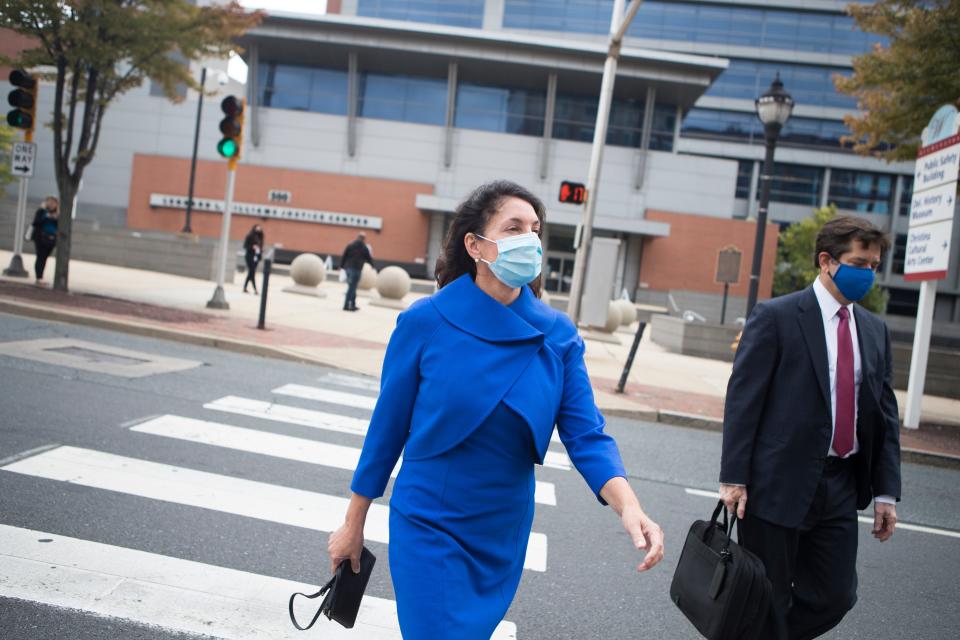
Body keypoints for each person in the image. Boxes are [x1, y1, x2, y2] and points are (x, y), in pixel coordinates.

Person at [328, 180, 664, 639]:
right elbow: (385, 433)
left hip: (501, 529)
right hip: (430, 519)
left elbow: (587, 435)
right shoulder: (425, 322)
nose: (529, 239)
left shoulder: (558, 335)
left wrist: (629, 506)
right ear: (475, 244)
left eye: (535, 229)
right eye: (513, 228)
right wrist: (353, 524)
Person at [720, 215, 901, 640]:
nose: (867, 273)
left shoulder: (874, 331)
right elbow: (744, 401)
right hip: (775, 481)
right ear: (826, 261)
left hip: (840, 483)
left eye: (874, 265)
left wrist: (886, 492)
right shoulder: (777, 316)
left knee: (836, 595)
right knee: (767, 593)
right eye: (859, 262)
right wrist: (734, 477)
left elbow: (884, 415)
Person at [339, 231, 374, 311]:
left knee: (352, 287)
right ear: (364, 239)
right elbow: (368, 258)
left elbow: (344, 255)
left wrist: (341, 266)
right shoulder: (364, 247)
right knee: (352, 288)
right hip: (356, 269)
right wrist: (372, 266)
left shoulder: (350, 244)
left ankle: (353, 304)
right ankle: (347, 305)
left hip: (348, 268)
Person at [31, 196, 59, 284]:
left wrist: (55, 218)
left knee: (45, 258)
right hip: (40, 238)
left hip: (52, 239)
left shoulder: (58, 214)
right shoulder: (41, 212)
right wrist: (46, 216)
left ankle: (40, 276)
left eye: (53, 202)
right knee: (40, 256)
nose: (51, 204)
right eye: (49, 202)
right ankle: (39, 277)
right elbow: (36, 223)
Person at [242, 224, 264, 294]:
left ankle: (245, 288)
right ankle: (255, 289)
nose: (258, 229)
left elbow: (260, 247)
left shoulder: (260, 238)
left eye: (259, 228)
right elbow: (245, 246)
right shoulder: (250, 236)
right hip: (250, 256)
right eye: (257, 228)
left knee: (251, 273)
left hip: (256, 257)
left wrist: (260, 250)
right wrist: (252, 247)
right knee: (252, 272)